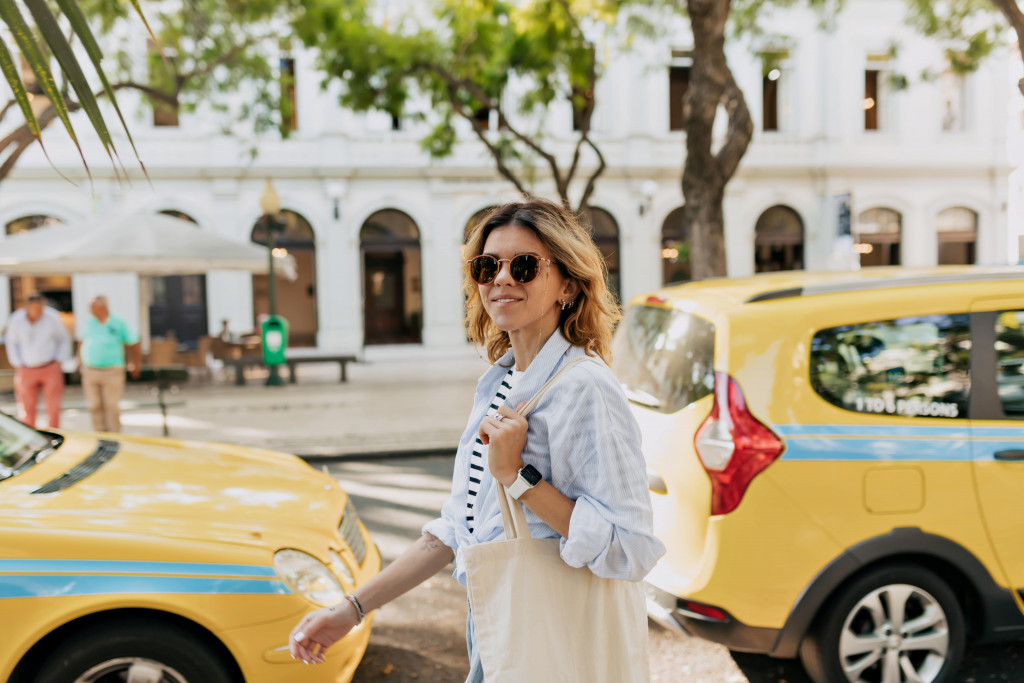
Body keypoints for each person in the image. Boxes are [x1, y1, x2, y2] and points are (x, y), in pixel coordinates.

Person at [289, 198, 665, 679]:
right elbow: (458, 530)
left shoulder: (584, 387)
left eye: (525, 266)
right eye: (488, 266)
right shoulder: (500, 381)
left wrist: (518, 478)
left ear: (568, 285)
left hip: (555, 640)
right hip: (496, 625)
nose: (502, 279)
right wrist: (351, 610)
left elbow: (630, 548)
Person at [4, 292, 72, 428]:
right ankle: (30, 437)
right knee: (26, 407)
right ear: (26, 307)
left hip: (50, 366)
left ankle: (54, 432)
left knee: (53, 406)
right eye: (34, 308)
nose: (38, 312)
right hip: (26, 368)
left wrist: (59, 360)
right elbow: (11, 342)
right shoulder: (16, 319)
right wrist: (18, 363)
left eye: (40, 308)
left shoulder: (52, 316)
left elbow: (64, 339)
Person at [78, 295, 142, 433]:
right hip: (90, 369)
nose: (90, 310)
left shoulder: (118, 322)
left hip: (112, 370)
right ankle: (100, 435)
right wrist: (79, 361)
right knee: (94, 405)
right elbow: (82, 342)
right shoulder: (89, 323)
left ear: (103, 307)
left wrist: (135, 363)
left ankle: (114, 435)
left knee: (111, 406)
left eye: (93, 307)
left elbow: (133, 343)